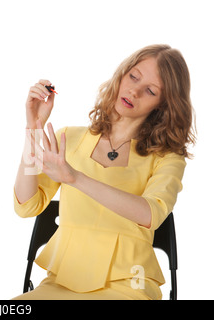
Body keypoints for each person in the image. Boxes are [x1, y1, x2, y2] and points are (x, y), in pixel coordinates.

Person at [13, 44, 196, 300]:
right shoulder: (69, 138)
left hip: (130, 284)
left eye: (151, 91)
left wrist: (75, 179)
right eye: (133, 76)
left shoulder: (167, 157)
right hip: (63, 282)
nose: (134, 91)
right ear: (121, 74)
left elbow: (151, 213)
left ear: (163, 105)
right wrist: (33, 128)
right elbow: (26, 205)